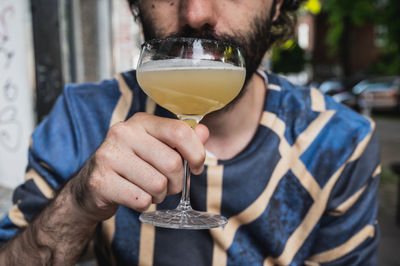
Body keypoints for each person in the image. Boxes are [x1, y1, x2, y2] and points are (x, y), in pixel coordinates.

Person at [0, 0, 380, 265]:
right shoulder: (85, 115)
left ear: (278, 4)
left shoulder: (339, 141)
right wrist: (77, 205)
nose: (196, 13)